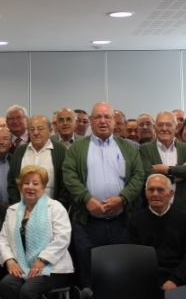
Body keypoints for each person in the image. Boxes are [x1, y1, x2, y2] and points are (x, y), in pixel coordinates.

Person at [62, 102, 144, 292]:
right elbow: (69, 174)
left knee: (121, 274)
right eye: (98, 117)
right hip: (87, 224)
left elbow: (139, 175)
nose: (103, 120)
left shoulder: (128, 148)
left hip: (121, 223)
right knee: (89, 277)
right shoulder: (77, 148)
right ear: (90, 121)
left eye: (107, 117)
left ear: (114, 121)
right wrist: (86, 199)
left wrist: (122, 198)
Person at [0, 165, 73, 299]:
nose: (30, 187)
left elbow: (62, 238)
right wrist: (10, 261)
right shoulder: (12, 210)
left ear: (43, 188)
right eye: (26, 183)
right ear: (20, 187)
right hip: (22, 266)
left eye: (35, 183)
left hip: (52, 267)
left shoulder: (55, 207)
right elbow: (3, 239)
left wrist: (42, 260)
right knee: (6, 284)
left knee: (28, 291)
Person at [127, 174, 186, 290]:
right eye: (151, 190)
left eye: (160, 190)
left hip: (179, 275)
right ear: (145, 193)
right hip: (147, 276)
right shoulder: (136, 220)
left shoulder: (184, 219)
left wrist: (174, 280)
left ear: (171, 194)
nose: (155, 194)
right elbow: (133, 258)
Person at [139, 111, 186, 215]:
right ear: (154, 127)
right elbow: (147, 176)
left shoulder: (185, 148)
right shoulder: (145, 149)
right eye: (160, 125)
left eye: (168, 125)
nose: (164, 129)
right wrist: (181, 175)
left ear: (176, 128)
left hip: (182, 211)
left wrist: (168, 169)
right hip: (154, 211)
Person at [8, 115, 69, 209]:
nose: (36, 133)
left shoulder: (60, 151)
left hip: (51, 211)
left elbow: (65, 184)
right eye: (32, 129)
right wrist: (16, 205)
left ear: (50, 130)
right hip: (22, 210)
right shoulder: (20, 151)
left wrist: (58, 208)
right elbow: (12, 182)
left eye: (40, 129)